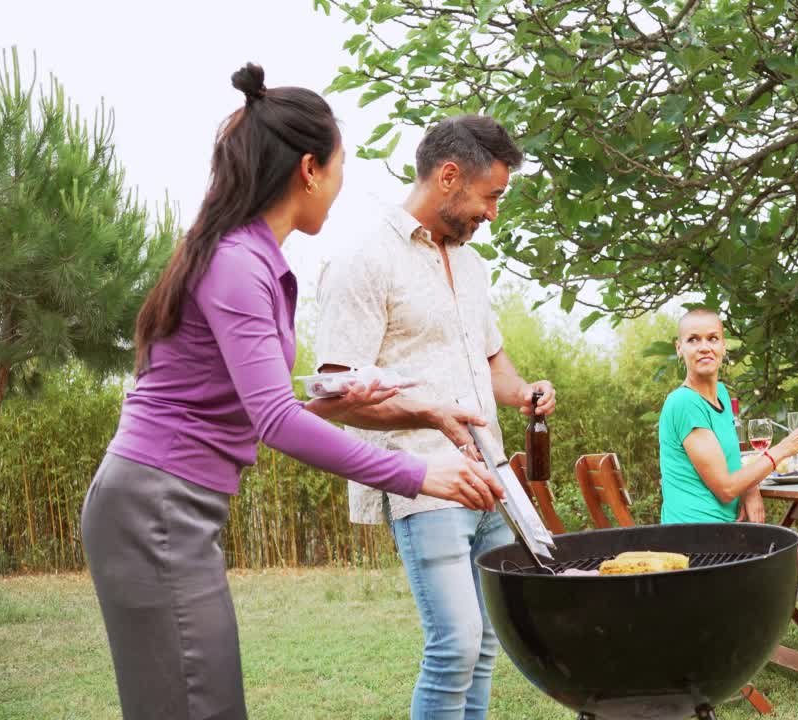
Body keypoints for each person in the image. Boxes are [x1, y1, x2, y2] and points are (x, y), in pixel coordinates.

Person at [80, 65, 502, 720]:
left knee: (200, 704)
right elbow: (275, 420)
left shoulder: (246, 255)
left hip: (170, 506)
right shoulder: (238, 263)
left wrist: (414, 405)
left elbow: (266, 400)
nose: (339, 188)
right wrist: (419, 474)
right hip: (155, 505)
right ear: (310, 169)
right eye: (339, 168)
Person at [314, 115, 554, 720]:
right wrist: (422, 413)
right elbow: (336, 397)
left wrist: (525, 392)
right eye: (491, 195)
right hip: (422, 481)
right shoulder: (364, 262)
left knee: (487, 643)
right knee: (455, 645)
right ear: (450, 177)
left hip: (492, 478)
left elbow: (491, 361)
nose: (493, 213)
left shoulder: (470, 265)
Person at [658, 309, 798, 599]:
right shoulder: (684, 403)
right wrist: (786, 448)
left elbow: (729, 461)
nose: (705, 346)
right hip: (699, 544)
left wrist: (752, 488)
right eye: (694, 339)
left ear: (723, 346)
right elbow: (727, 488)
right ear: (680, 348)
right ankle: (731, 609)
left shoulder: (719, 393)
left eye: (712, 338)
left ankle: (730, 607)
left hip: (725, 533)